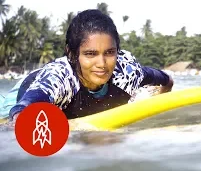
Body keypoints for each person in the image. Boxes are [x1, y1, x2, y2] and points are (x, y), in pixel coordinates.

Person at [1, 9, 173, 123]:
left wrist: (162, 94)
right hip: (24, 94)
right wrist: (18, 119)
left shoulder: (126, 71)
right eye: (90, 54)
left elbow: (165, 79)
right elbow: (26, 106)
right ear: (72, 53)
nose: (102, 64)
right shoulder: (61, 79)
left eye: (109, 52)